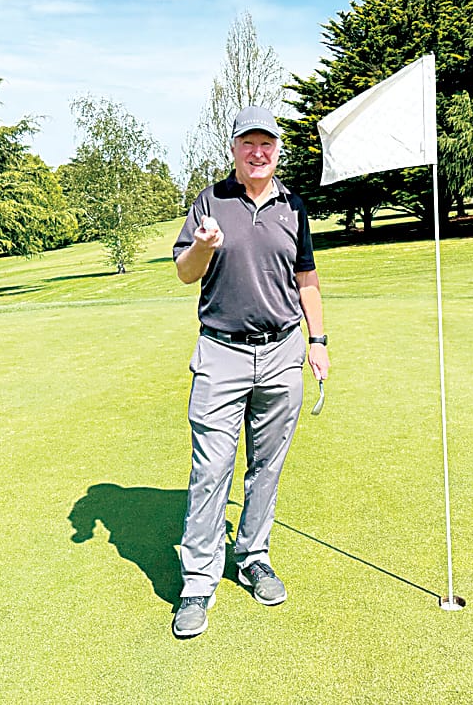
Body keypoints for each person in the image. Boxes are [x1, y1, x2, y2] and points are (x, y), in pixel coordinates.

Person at [170, 105, 329, 638]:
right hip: (222, 353)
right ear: (234, 149)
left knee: (267, 466)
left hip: (283, 351)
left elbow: (306, 279)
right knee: (211, 468)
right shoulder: (210, 202)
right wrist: (202, 245)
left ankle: (253, 556)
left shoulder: (293, 206)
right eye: (248, 143)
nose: (258, 153)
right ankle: (198, 582)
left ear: (277, 150)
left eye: (267, 144)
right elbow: (185, 273)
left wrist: (318, 340)